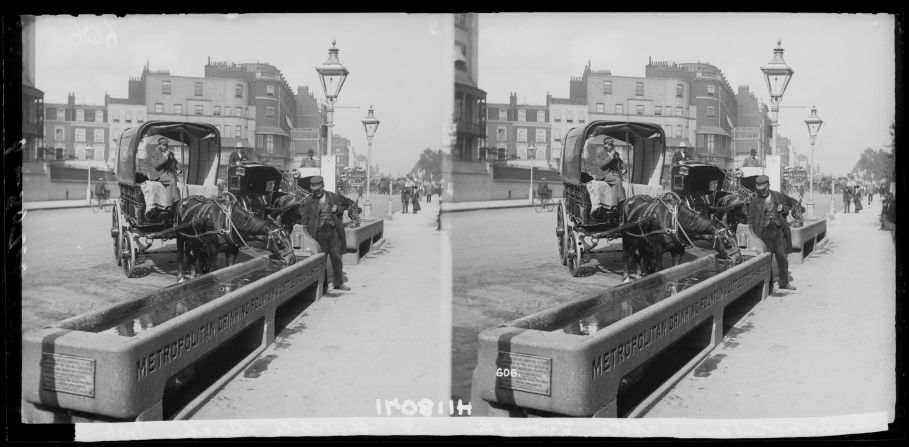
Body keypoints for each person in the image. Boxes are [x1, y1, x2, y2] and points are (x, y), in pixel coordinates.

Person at [300, 175, 350, 292]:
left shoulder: (332, 196)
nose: (315, 192)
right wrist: (306, 235)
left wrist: (337, 209)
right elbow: (305, 220)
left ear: (322, 186)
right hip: (318, 234)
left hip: (333, 232)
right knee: (321, 260)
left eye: (317, 190)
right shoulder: (309, 201)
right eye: (313, 190)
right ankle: (324, 286)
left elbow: (343, 209)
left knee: (336, 258)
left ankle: (338, 283)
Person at [746, 175, 795, 291]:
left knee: (782, 258)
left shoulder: (778, 196)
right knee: (767, 261)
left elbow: (788, 208)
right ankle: (769, 286)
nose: (761, 192)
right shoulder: (754, 201)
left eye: (763, 189)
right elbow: (750, 220)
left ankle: (784, 282)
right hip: (764, 234)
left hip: (779, 232)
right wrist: (751, 236)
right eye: (759, 190)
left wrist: (783, 208)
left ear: (768, 185)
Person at [147, 137, 182, 205]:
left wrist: (178, 169)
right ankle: (177, 200)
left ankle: (169, 205)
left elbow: (175, 163)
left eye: (167, 145)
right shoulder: (155, 154)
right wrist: (165, 157)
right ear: (159, 145)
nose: (166, 147)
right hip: (157, 174)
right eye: (164, 145)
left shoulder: (170, 154)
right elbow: (156, 165)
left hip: (167, 174)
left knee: (170, 185)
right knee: (172, 180)